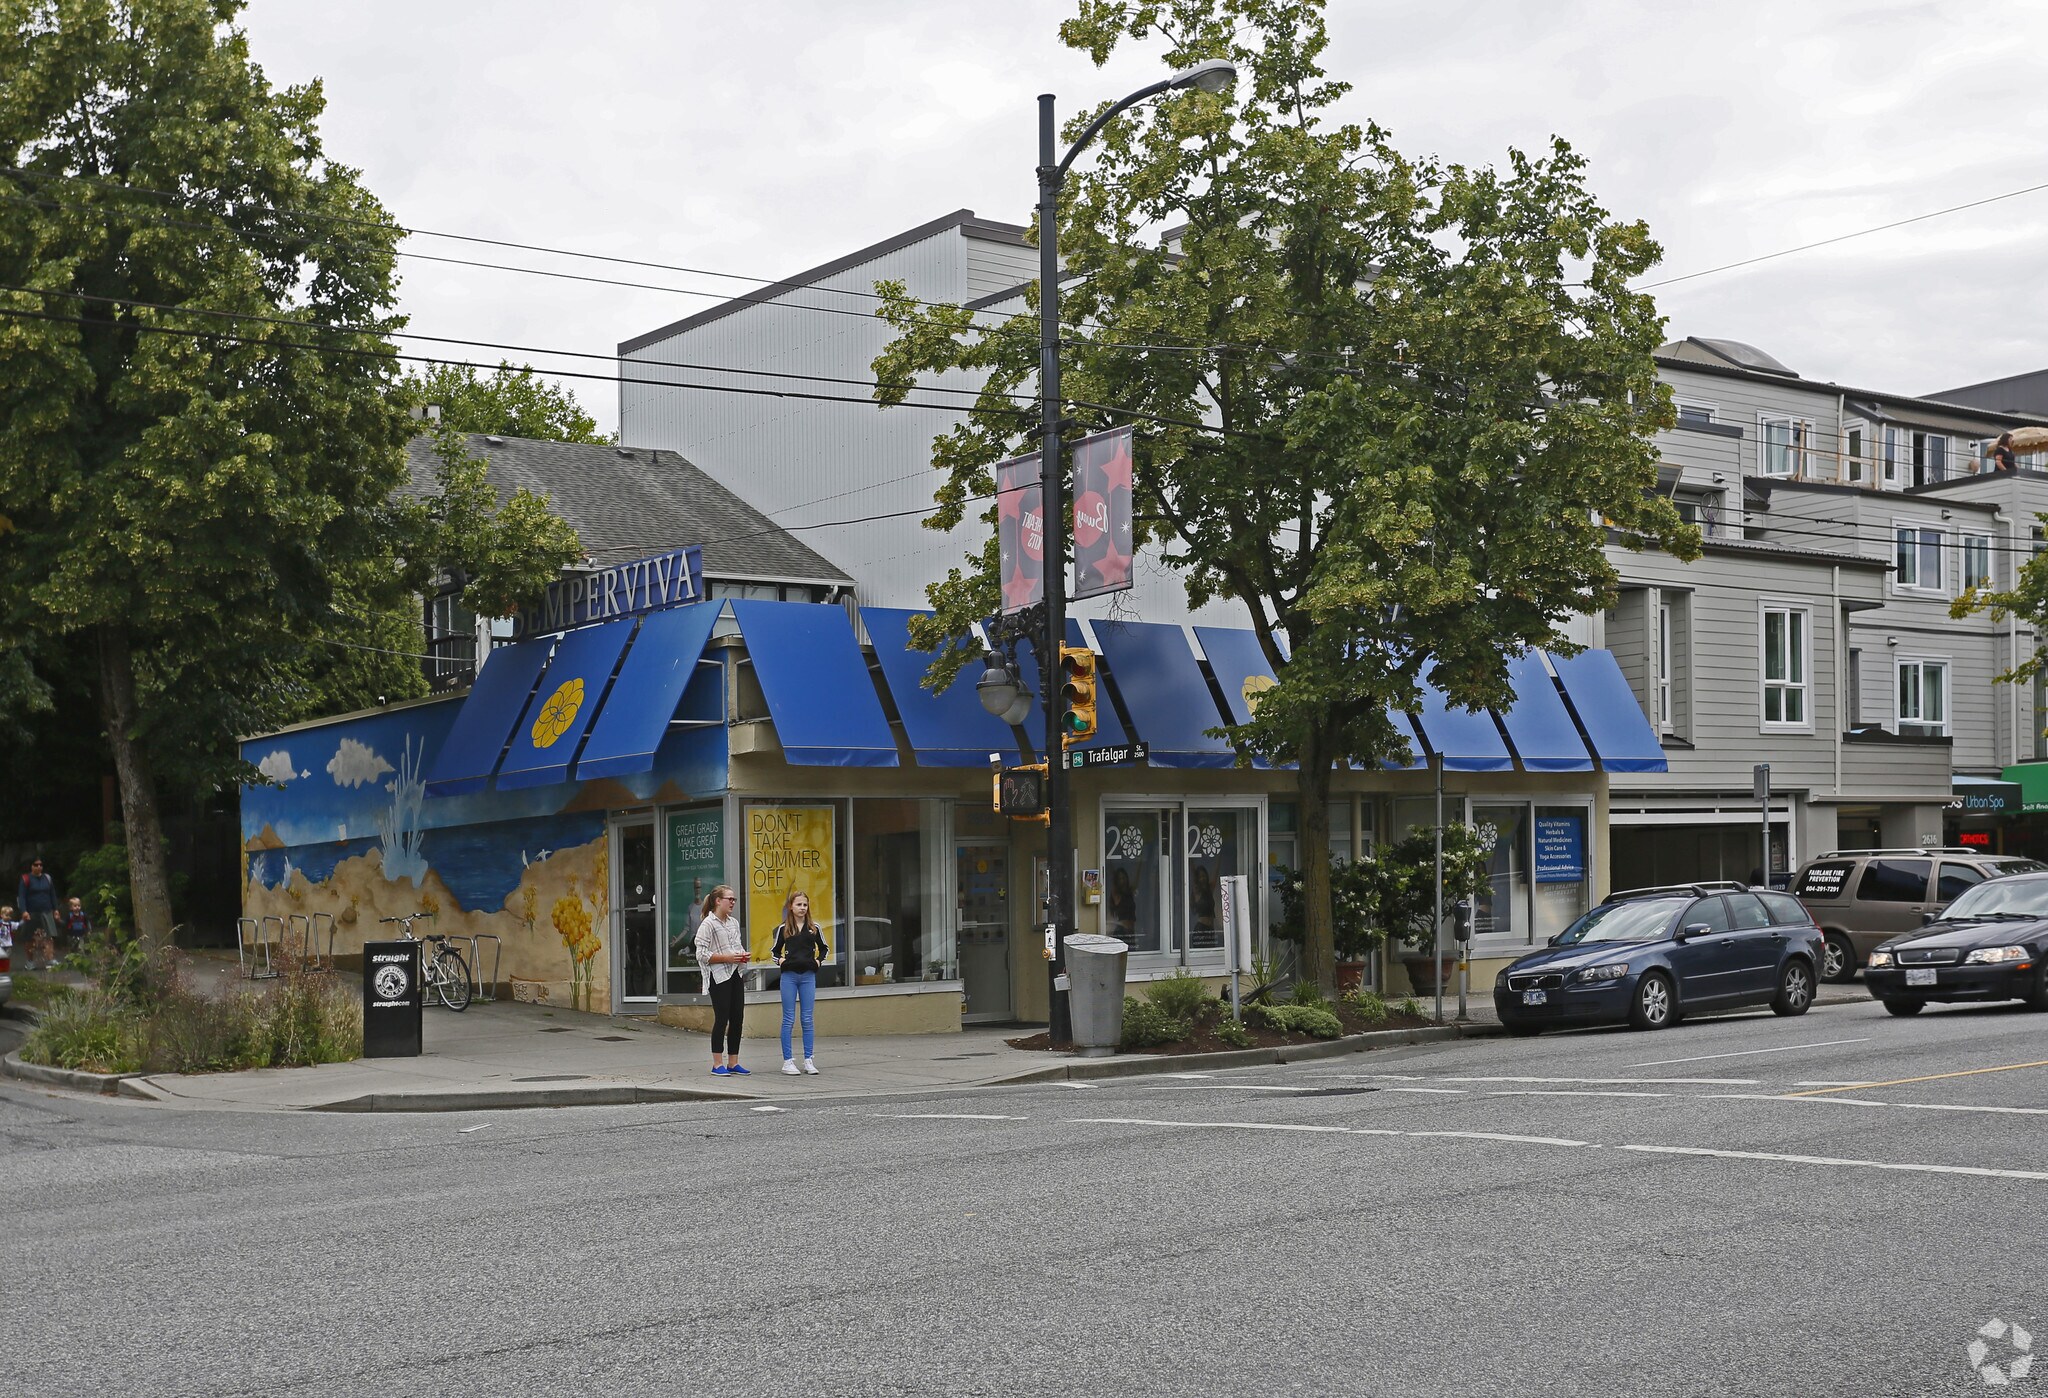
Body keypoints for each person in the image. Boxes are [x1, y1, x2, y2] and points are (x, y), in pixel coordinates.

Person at [693, 885, 750, 1075]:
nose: (733, 902)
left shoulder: (733, 923)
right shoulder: (708, 924)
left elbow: (736, 946)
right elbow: (701, 954)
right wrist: (726, 958)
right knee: (722, 1018)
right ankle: (717, 1063)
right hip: (718, 976)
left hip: (735, 973)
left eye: (734, 899)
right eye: (730, 899)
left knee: (737, 1018)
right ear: (718, 901)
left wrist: (742, 956)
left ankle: (733, 1062)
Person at [772, 890, 829, 1076]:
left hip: (808, 977)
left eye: (805, 905)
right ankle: (787, 1061)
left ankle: (808, 1060)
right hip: (789, 977)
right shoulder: (784, 929)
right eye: (798, 904)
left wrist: (818, 962)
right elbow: (774, 952)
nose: (802, 908)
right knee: (788, 1019)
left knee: (807, 1019)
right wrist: (782, 962)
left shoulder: (814, 928)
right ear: (791, 906)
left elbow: (824, 949)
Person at [17, 857, 57, 970]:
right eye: (36, 865)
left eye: (40, 865)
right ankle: (30, 961)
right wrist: (24, 911)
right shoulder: (26, 879)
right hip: (31, 912)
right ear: (31, 866)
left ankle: (50, 959)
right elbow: (22, 897)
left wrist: (56, 909)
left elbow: (52, 894)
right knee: (29, 938)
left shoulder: (47, 878)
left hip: (46, 910)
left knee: (49, 936)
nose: (39, 867)